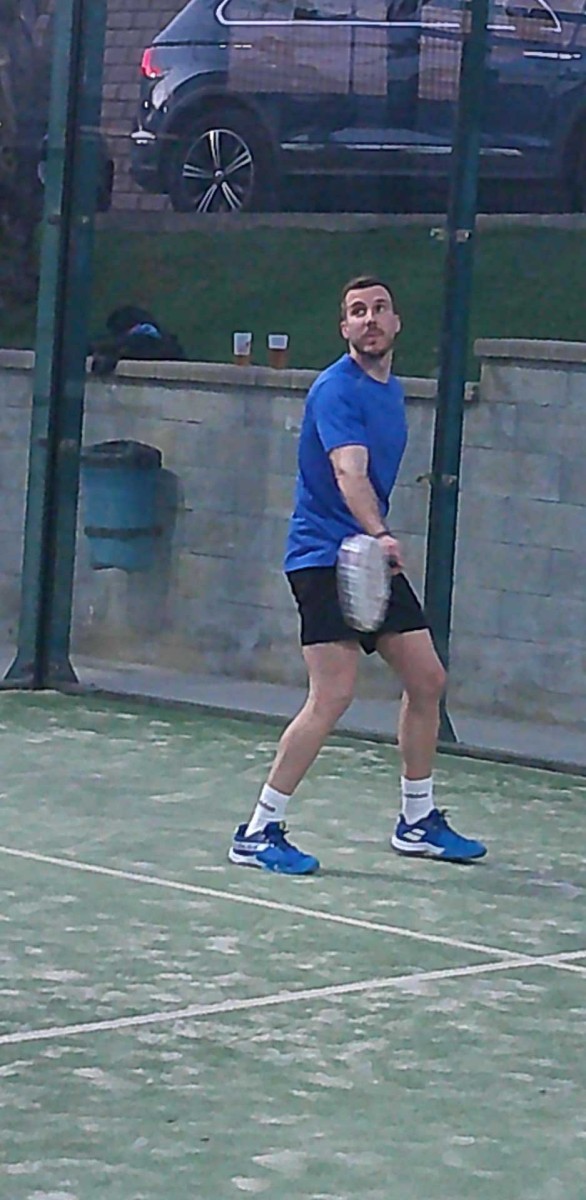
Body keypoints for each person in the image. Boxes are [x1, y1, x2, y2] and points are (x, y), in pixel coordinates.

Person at [229, 275, 487, 874]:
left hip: (369, 556)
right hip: (322, 558)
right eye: (357, 311)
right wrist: (379, 533)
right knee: (333, 695)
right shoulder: (335, 390)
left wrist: (375, 543)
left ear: (396, 323)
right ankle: (258, 831)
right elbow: (349, 472)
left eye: (379, 309)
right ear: (344, 327)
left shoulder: (389, 392)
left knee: (427, 679)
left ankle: (416, 820)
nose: (369, 319)